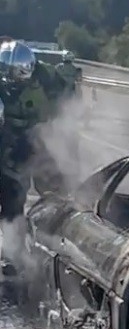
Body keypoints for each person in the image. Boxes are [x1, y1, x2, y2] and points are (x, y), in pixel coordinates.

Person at [0, 40, 67, 273]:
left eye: (13, 76)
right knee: (12, 197)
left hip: (40, 140)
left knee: (56, 194)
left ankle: (56, 245)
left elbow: (61, 111)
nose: (9, 82)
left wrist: (37, 140)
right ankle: (12, 253)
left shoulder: (46, 83)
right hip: (9, 144)